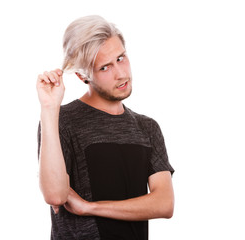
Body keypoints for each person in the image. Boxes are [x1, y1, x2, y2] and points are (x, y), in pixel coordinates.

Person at [36, 15, 175, 240]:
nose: (120, 74)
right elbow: (55, 195)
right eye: (105, 67)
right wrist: (50, 109)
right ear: (82, 76)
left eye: (121, 58)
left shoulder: (147, 127)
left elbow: (164, 203)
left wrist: (90, 207)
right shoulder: (62, 120)